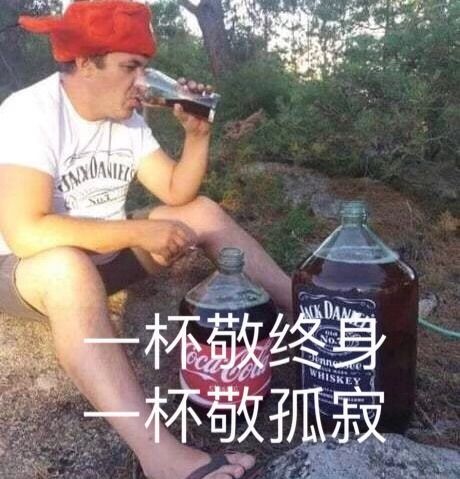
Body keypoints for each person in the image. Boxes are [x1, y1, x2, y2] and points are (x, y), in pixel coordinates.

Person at [0, 1, 291, 478]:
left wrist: (197, 137)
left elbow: (176, 192)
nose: (141, 81)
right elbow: (26, 231)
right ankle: (160, 456)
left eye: (144, 67)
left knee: (201, 212)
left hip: (104, 256)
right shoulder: (29, 112)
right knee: (66, 266)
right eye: (130, 66)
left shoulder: (127, 118)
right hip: (27, 269)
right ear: (86, 62)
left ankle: (308, 311)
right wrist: (140, 229)